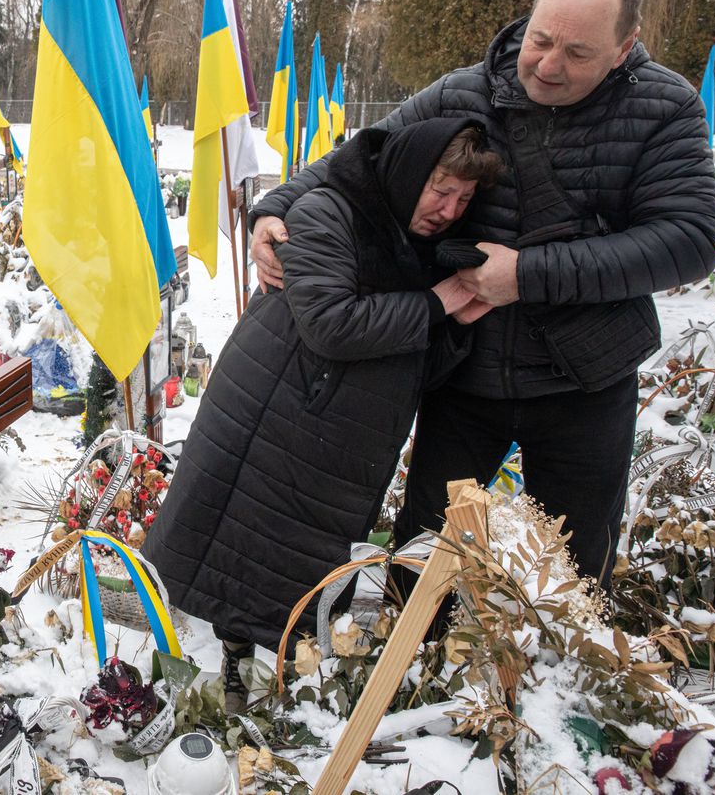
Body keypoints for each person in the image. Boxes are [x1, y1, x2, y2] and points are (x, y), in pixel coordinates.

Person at [249, 0, 715, 592]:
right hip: (465, 373)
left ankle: (559, 660)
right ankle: (417, 654)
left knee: (573, 579)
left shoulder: (666, 107)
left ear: (622, 48)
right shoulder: (464, 91)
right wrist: (276, 206)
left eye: (577, 53)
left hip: (586, 384)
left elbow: (691, 240)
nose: (547, 66)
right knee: (424, 561)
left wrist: (527, 275)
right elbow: (363, 156)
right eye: (540, 40)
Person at [142, 118, 504, 711]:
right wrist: (435, 304)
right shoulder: (327, 213)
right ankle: (234, 666)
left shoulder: (423, 246)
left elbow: (414, 362)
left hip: (339, 438)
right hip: (278, 410)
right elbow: (331, 325)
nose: (449, 210)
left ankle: (277, 670)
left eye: (464, 200)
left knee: (293, 560)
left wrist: (455, 327)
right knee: (245, 544)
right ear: (409, 174)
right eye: (441, 191)